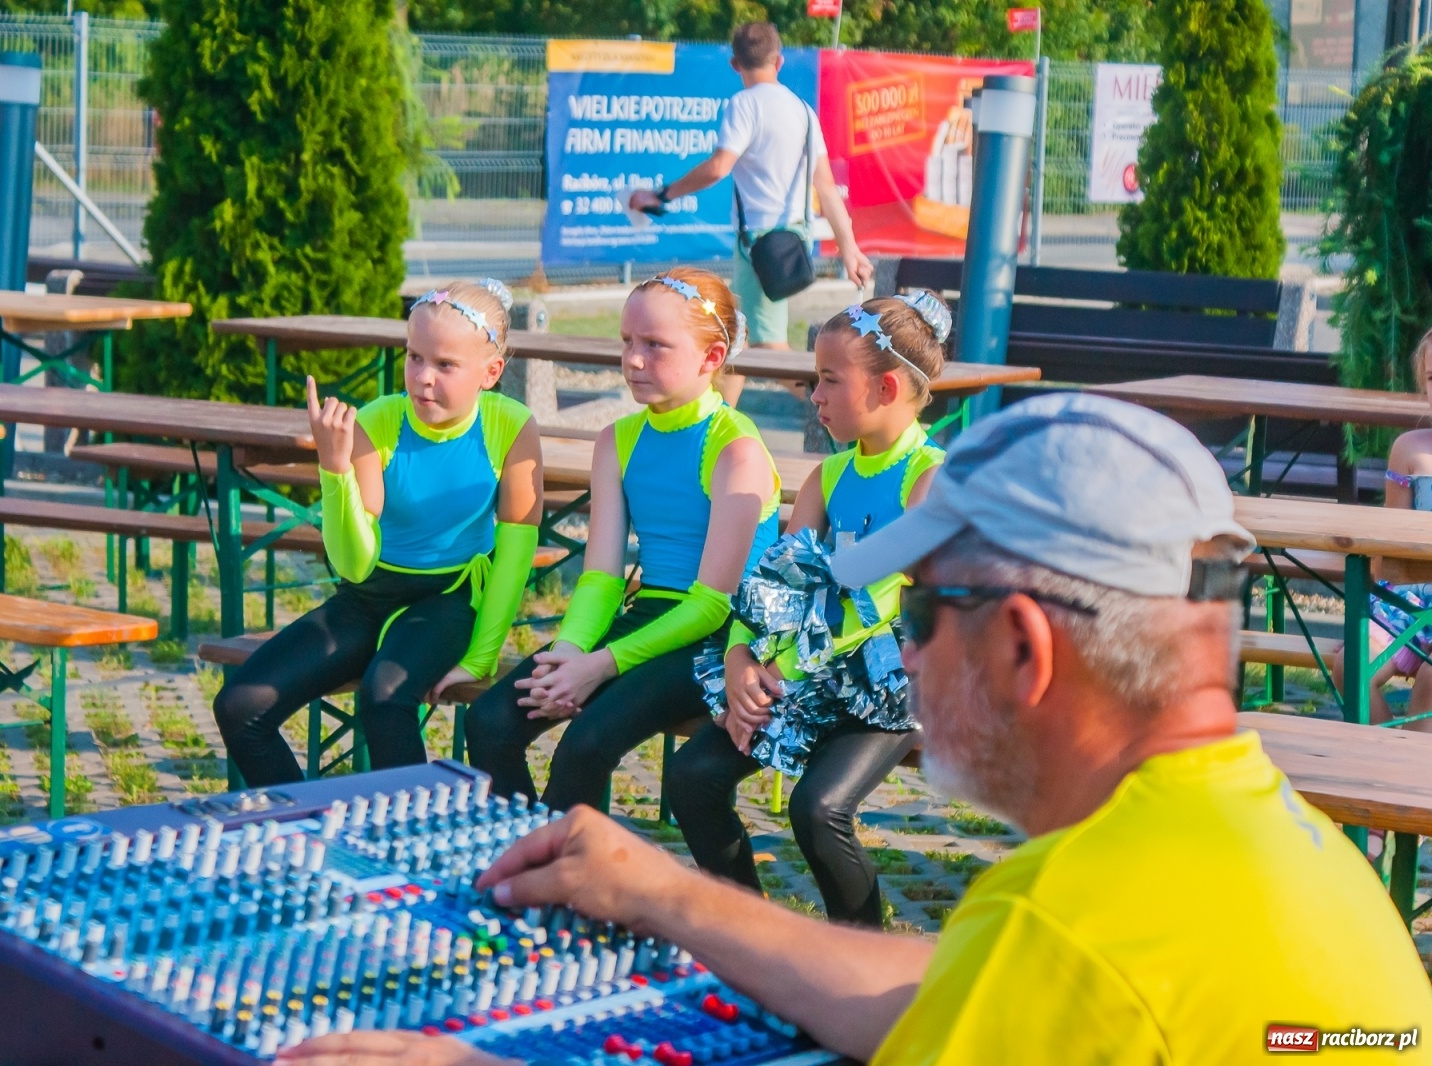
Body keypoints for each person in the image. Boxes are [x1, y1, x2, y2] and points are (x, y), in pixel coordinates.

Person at [280, 393, 1432, 1066]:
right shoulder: (1290, 852)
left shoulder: (1071, 924)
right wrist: (668, 894)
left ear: (1026, 648)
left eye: (923, 611)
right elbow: (942, 990)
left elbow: (1039, 973)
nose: (906, 651)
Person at [668, 292, 952, 927]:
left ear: (883, 388)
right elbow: (777, 584)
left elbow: (896, 582)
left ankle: (860, 957)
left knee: (817, 810)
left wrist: (792, 660)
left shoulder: (931, 477)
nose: (813, 395)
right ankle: (753, 937)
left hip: (889, 681)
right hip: (807, 673)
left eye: (828, 380)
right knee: (693, 778)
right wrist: (744, 660)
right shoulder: (828, 477)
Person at [463, 267, 780, 810]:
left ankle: (569, 880)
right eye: (628, 342)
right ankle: (524, 859)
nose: (633, 360)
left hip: (716, 640)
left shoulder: (736, 448)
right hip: (647, 618)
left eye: (655, 346)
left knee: (583, 747)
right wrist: (567, 653)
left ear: (711, 359)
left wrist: (599, 665)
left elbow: (710, 605)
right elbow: (602, 577)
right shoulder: (617, 439)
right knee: (490, 721)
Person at [213, 280, 543, 785]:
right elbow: (354, 565)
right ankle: (307, 833)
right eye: (414, 358)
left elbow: (515, 556)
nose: (423, 378)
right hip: (368, 594)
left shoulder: (512, 425)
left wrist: (481, 656)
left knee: (384, 697)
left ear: (491, 372)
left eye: (445, 365)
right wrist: (334, 469)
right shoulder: (380, 419)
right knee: (239, 706)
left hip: (449, 598)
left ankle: (413, 844)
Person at [629, 22, 872, 403]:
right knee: (740, 336)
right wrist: (849, 247)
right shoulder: (803, 111)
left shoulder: (745, 104)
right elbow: (825, 186)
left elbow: (719, 166)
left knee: (765, 344)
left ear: (733, 63)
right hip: (790, 240)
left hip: (760, 244)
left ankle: (832, 404)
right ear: (780, 60)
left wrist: (663, 194)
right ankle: (718, 419)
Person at [1334, 326, 1432, 732]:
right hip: (1407, 600)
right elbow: (1389, 537)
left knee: (1430, 685)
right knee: (1350, 665)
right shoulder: (1409, 449)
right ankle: (1384, 760)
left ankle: (1408, 779)